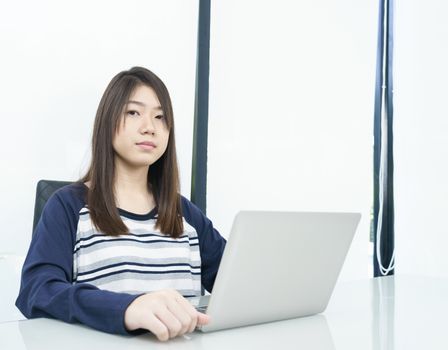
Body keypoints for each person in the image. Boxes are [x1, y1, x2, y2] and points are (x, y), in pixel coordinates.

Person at [16, 67, 226, 341]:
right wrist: (126, 308)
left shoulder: (184, 213)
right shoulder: (68, 206)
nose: (149, 127)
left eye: (160, 117)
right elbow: (37, 291)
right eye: (133, 112)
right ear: (108, 121)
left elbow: (237, 283)